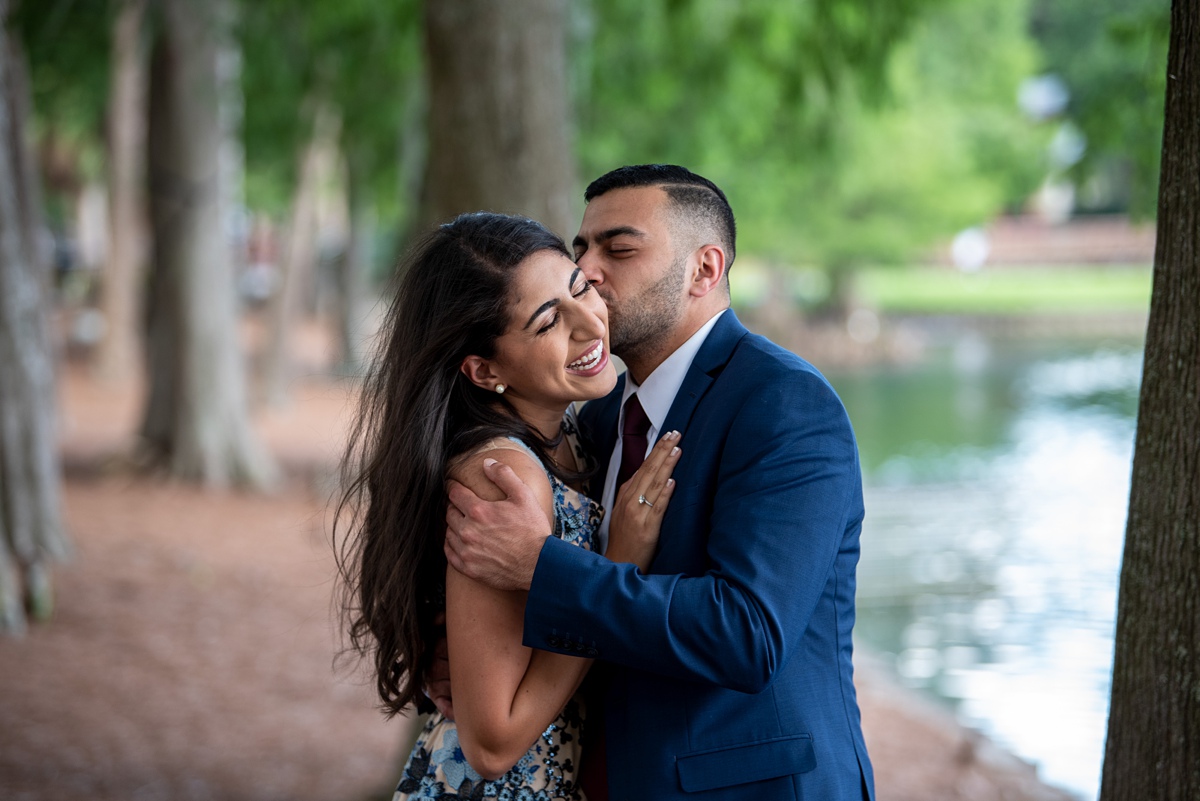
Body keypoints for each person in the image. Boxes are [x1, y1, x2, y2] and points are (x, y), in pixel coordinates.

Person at [445, 165, 876, 800]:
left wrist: (542, 567)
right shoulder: (593, 420)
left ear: (705, 269)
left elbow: (746, 635)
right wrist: (471, 656)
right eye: (581, 250)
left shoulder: (785, 404)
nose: (588, 271)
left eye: (618, 249)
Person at [333, 212, 682, 800]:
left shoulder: (572, 430)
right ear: (484, 369)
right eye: (547, 323)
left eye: (578, 288)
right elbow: (491, 745)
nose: (589, 325)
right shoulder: (501, 475)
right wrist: (615, 566)